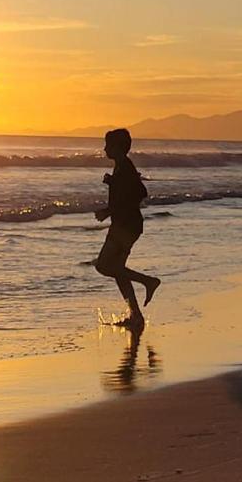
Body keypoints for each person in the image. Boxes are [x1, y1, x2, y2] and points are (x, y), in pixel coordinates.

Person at [94, 128, 160, 330]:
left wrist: (108, 210)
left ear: (118, 147)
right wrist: (113, 182)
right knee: (118, 270)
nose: (105, 149)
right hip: (128, 225)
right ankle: (136, 316)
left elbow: (140, 192)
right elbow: (133, 191)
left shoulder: (125, 168)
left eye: (108, 145)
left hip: (125, 225)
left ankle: (148, 281)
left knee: (104, 266)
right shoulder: (122, 167)